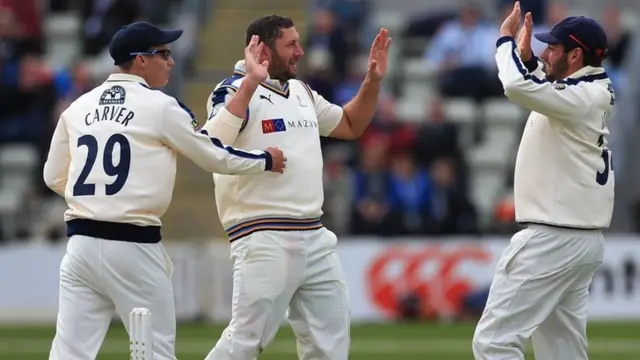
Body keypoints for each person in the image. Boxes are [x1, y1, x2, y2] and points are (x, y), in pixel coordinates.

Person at [43, 21, 286, 360]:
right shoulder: (160, 106)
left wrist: (97, 200)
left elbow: (53, 175)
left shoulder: (77, 107)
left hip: (80, 246)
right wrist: (263, 160)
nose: (171, 61)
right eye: (164, 54)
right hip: (133, 245)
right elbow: (213, 154)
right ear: (141, 60)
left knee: (69, 352)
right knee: (156, 351)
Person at [202, 14, 391, 360]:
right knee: (246, 341)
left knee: (331, 345)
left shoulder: (301, 91)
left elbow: (350, 125)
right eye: (291, 44)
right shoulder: (231, 88)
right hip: (263, 234)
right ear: (261, 48)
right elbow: (210, 143)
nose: (301, 52)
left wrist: (372, 81)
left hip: (315, 234)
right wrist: (250, 84)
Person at [472, 2, 615, 360]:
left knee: (493, 343)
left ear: (575, 55)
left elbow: (517, 87)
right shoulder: (587, 90)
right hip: (578, 238)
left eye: (553, 48)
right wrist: (531, 60)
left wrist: (505, 42)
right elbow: (546, 87)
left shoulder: (581, 97)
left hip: (552, 237)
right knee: (562, 351)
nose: (545, 53)